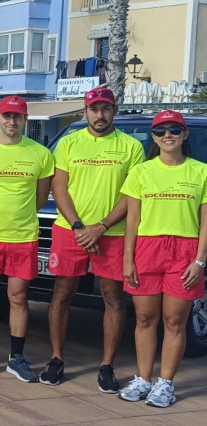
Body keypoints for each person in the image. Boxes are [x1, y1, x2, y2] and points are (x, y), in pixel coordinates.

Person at [43, 87, 144, 391]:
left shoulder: (131, 147)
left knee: (112, 298)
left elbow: (132, 195)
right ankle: (56, 358)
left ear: (114, 111)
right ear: (85, 112)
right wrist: (78, 227)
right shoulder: (69, 142)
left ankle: (107, 366)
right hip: (69, 231)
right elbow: (59, 187)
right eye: (95, 109)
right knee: (62, 294)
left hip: (111, 234)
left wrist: (100, 226)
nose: (100, 115)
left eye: (106, 109)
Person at [120, 110, 207, 407]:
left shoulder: (201, 171)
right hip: (147, 248)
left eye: (174, 129)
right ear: (154, 138)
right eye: (160, 131)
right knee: (145, 318)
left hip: (184, 250)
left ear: (184, 134)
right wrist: (128, 259)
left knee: (174, 321)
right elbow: (132, 220)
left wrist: (200, 261)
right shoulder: (141, 172)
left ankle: (165, 384)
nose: (167, 135)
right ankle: (144, 379)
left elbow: (205, 221)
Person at [0, 96, 54, 381]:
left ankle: (16, 357)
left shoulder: (40, 154)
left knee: (18, 297)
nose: (11, 121)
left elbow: (40, 199)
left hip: (23, 237)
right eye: (6, 116)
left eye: (17, 116)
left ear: (25, 119)